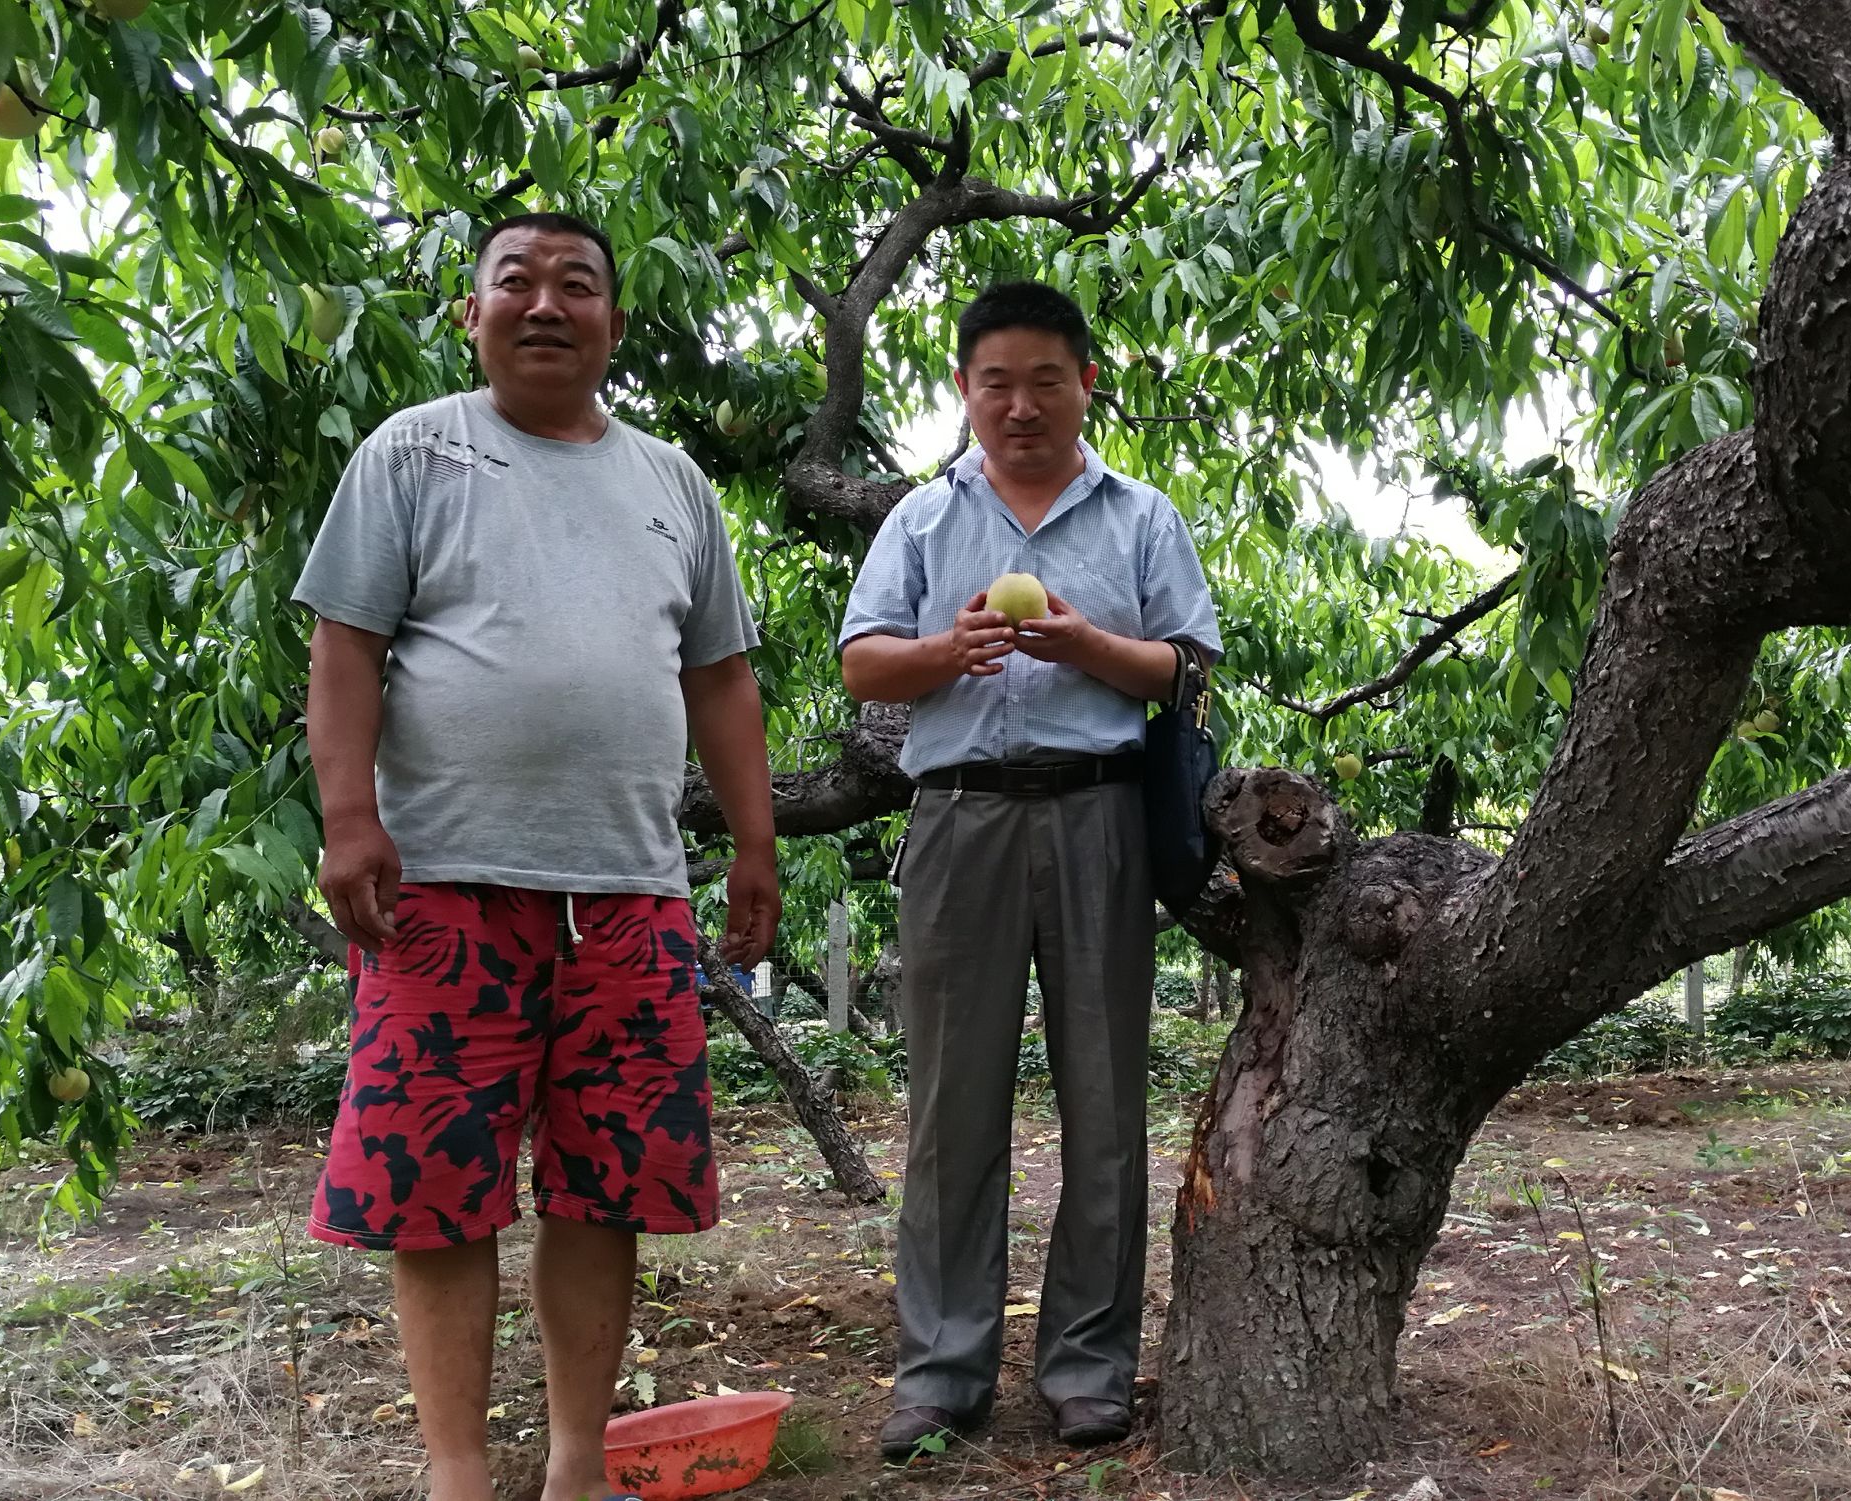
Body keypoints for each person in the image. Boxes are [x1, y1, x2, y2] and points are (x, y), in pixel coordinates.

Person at [295, 210, 779, 1501]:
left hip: (626, 892)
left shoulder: (671, 481)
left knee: (602, 1183)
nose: (546, 303)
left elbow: (720, 677)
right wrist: (349, 819)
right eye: (516, 281)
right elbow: (342, 645)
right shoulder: (412, 452)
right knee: (433, 1191)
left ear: (615, 325)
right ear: (473, 314)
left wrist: (752, 842)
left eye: (578, 285)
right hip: (442, 890)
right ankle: (457, 1473)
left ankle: (574, 1465)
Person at [838, 281, 1221, 1460]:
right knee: (951, 1109)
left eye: (1044, 380)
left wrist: (1083, 643)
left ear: (1085, 383)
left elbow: (1182, 672)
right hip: (958, 820)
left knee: (1103, 1104)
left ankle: (1087, 1367)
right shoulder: (918, 519)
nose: (1019, 405)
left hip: (1098, 816)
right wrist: (947, 651)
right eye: (994, 382)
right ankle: (941, 1370)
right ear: (963, 390)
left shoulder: (1138, 517)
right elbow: (863, 666)